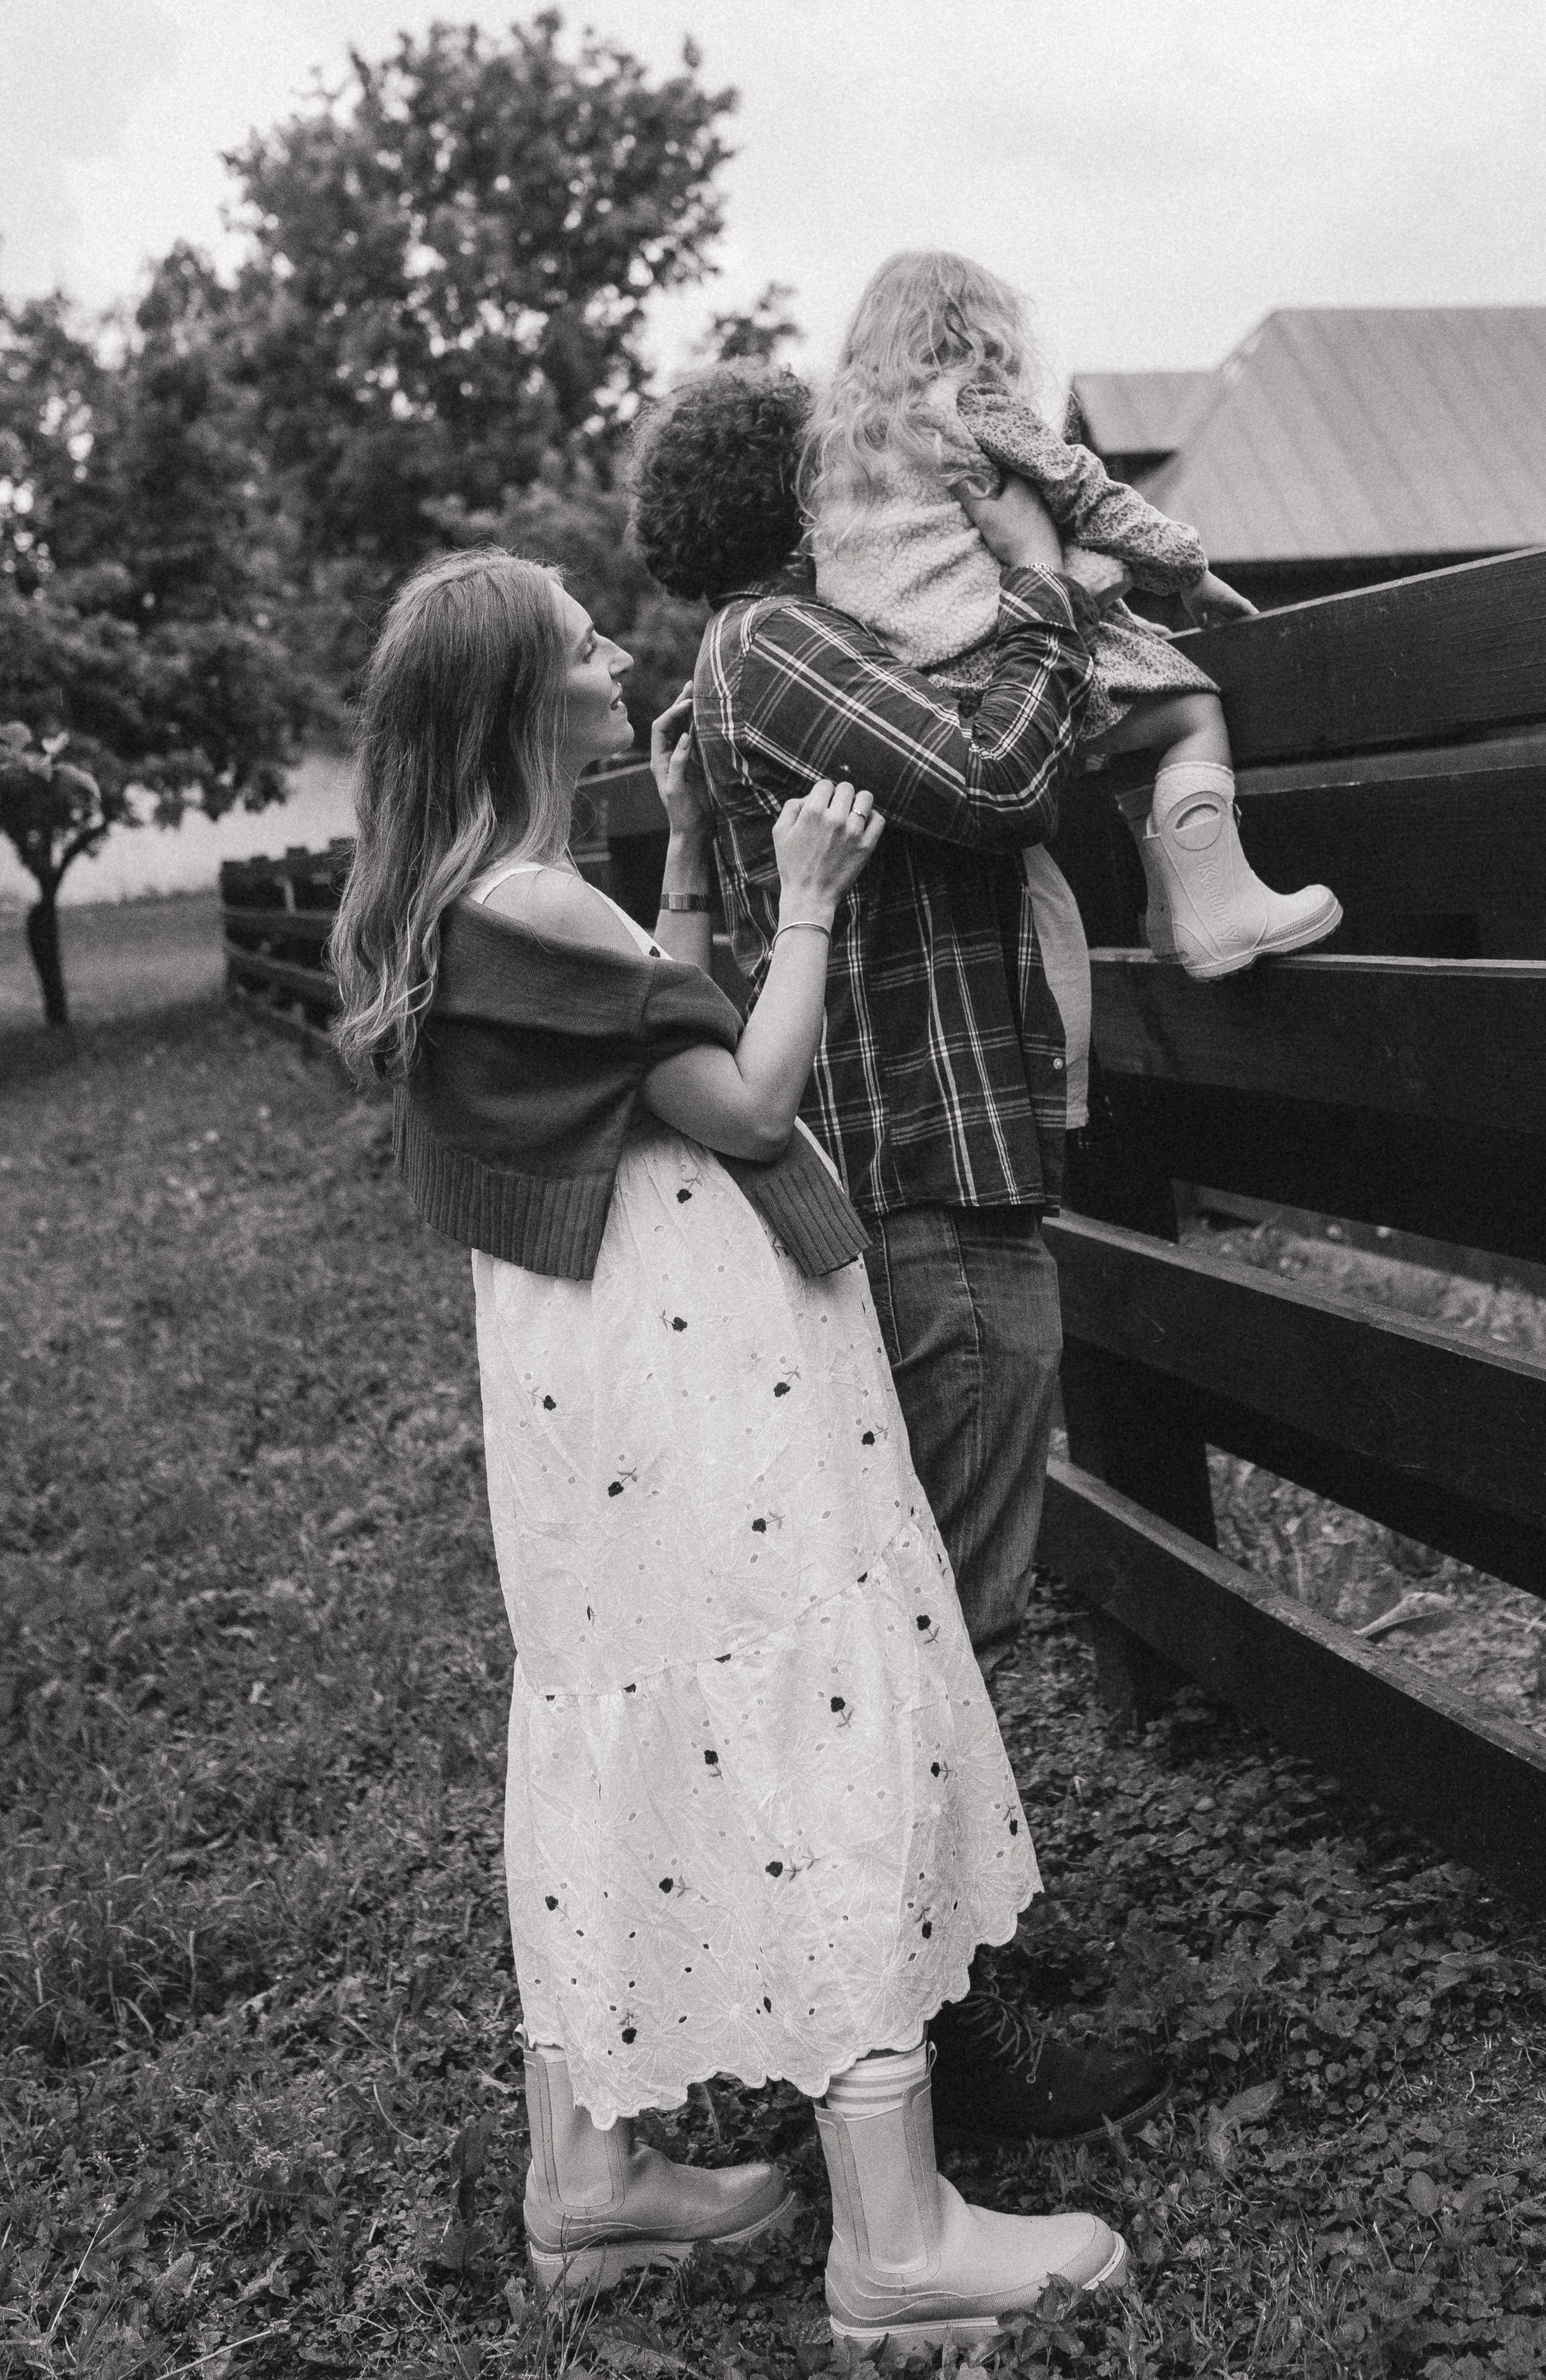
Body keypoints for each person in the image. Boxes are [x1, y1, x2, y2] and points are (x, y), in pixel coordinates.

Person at [327, 550, 1126, 2355]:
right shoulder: (536, 912)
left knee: (619, 1692)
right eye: (580, 638)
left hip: (581, 1378)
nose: (615, 652)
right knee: (800, 1696)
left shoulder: (486, 906)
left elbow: (643, 1037)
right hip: (698, 1372)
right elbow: (744, 1096)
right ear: (522, 697)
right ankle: (897, 2238)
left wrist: (688, 861)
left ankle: (591, 2175)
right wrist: (814, 892)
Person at [630, 367, 1174, 2144]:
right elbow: (1000, 774)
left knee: (930, 1605)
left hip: (925, 1179)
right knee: (950, 1617)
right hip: (919, 1192)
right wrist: (1039, 584)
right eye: (847, 467)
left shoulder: (770, 652)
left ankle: (954, 1961)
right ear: (799, 497)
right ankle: (950, 2029)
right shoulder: (776, 645)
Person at [805, 249, 1340, 976]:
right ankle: (1220, 912)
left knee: (1132, 726)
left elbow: (952, 573)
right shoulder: (969, 405)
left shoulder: (847, 452)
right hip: (1006, 664)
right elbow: (1091, 496)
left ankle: (1172, 917)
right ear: (978, 331)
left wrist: (1116, 626)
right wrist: (1193, 574)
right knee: (1189, 715)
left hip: (919, 701)